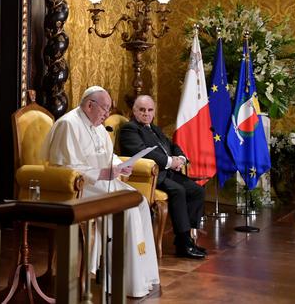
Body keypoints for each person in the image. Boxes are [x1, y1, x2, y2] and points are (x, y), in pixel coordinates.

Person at [40, 86, 160, 298]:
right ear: (89, 105)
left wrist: (121, 167)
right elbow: (65, 169)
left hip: (100, 183)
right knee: (126, 207)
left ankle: (142, 276)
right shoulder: (69, 124)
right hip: (77, 189)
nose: (107, 114)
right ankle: (119, 280)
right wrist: (105, 173)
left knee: (139, 201)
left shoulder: (97, 126)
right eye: (105, 108)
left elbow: (107, 156)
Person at [118, 95, 206, 259]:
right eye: (142, 110)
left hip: (168, 172)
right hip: (149, 176)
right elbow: (142, 152)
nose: (146, 114)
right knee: (178, 191)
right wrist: (170, 161)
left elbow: (172, 145)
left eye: (150, 110)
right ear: (134, 111)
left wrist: (181, 158)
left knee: (197, 191)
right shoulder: (130, 129)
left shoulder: (154, 128)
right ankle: (184, 242)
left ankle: (185, 239)